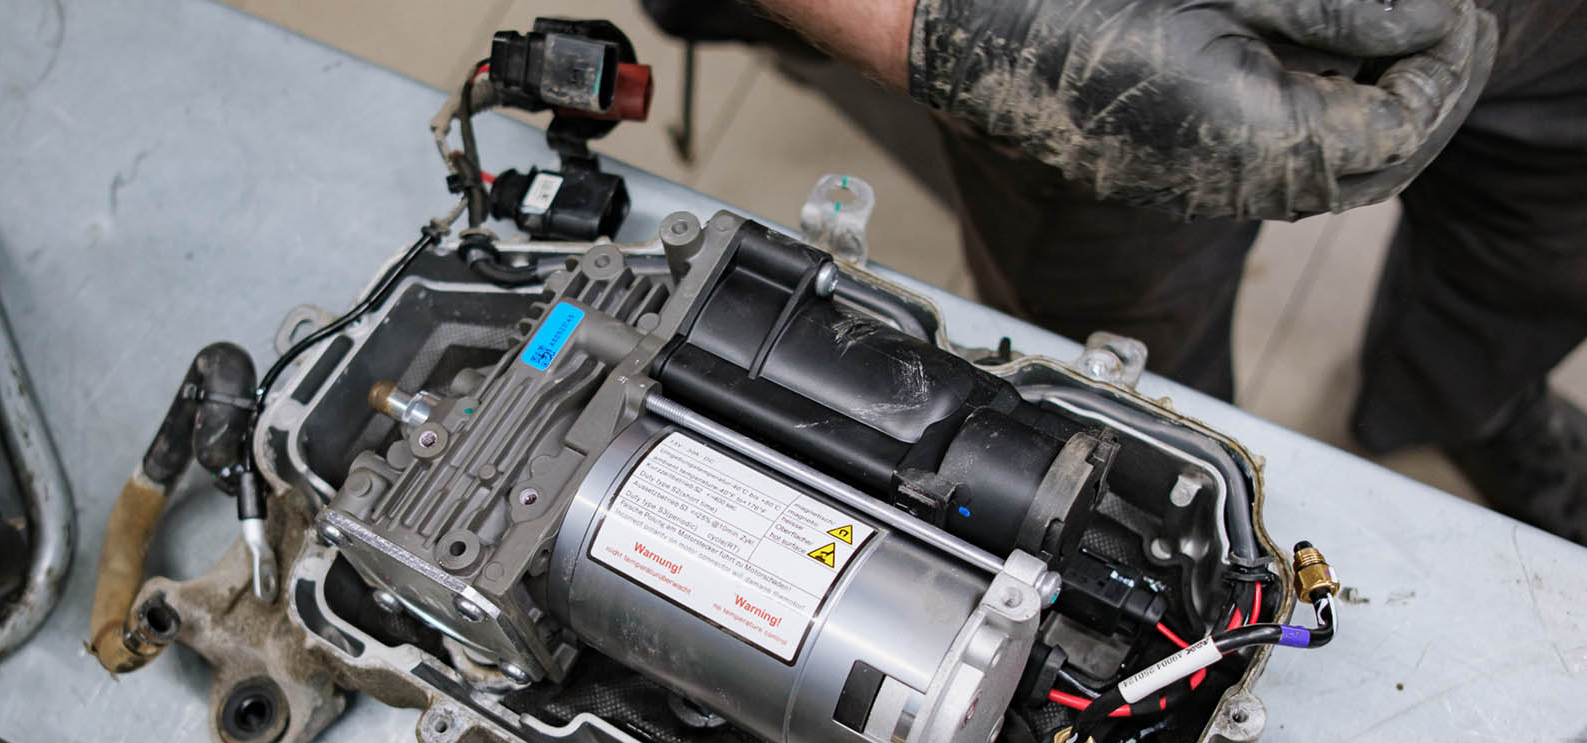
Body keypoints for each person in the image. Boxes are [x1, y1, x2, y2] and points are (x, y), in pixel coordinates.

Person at [646, 1, 1587, 545]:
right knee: (1144, 379)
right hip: (1120, 22)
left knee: (1543, 243)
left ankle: (1467, 410)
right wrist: (948, 27)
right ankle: (1181, 532)